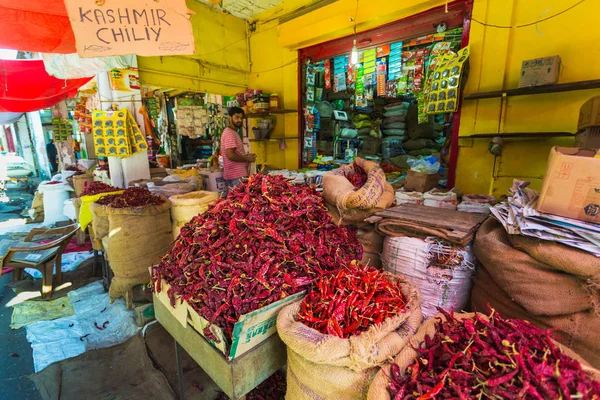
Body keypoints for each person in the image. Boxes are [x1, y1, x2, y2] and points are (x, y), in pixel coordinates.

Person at [221, 107, 256, 192]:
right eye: (237, 117)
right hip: (236, 176)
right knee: (239, 202)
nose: (240, 120)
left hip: (236, 175)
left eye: (241, 118)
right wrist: (247, 158)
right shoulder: (229, 133)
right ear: (230, 118)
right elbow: (231, 155)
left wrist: (245, 156)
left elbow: (235, 153)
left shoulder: (233, 132)